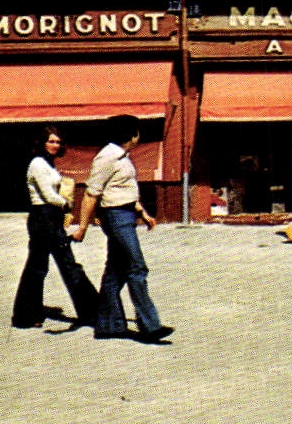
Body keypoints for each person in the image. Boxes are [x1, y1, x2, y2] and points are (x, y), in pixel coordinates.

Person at [72, 115, 173, 342]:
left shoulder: (122, 156)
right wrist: (83, 227)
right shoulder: (107, 157)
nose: (139, 136)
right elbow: (91, 193)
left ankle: (109, 325)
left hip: (126, 214)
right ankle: (150, 326)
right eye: (137, 132)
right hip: (115, 217)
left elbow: (122, 189)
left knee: (115, 271)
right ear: (131, 134)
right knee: (137, 267)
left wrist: (141, 212)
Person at [11, 125, 99, 329]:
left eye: (58, 142)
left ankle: (28, 315)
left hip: (51, 218)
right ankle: (93, 312)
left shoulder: (48, 164)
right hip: (43, 217)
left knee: (50, 266)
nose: (55, 145)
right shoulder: (37, 164)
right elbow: (48, 195)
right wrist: (67, 204)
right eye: (51, 141)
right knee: (47, 266)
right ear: (42, 143)